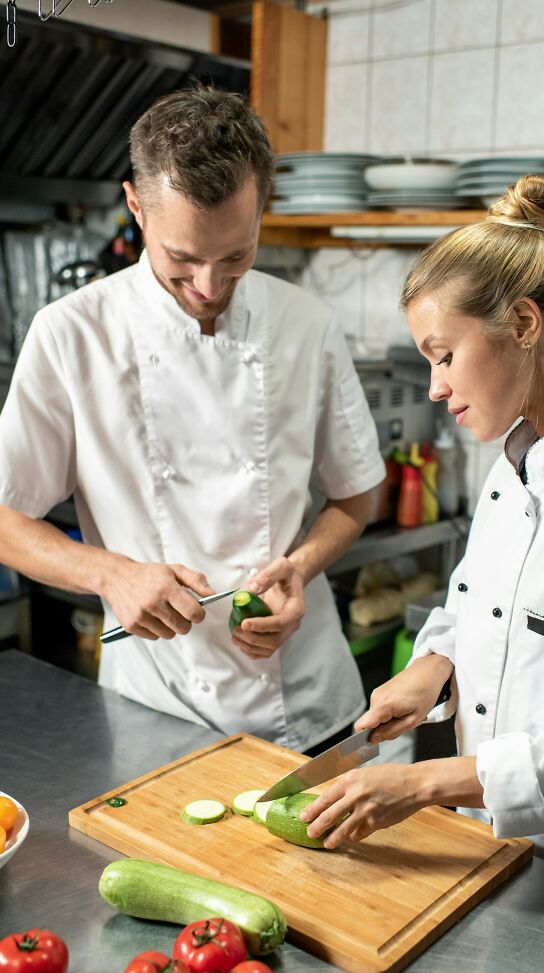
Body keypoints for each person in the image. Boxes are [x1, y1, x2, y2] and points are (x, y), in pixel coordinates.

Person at [300, 175, 544, 909]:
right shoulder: (510, 464)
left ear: (522, 323)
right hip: (486, 851)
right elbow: (478, 604)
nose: (433, 387)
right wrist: (435, 668)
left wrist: (426, 781)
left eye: (443, 355)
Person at [0, 84, 386, 751]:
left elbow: (356, 495)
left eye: (236, 256)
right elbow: (5, 521)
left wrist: (301, 566)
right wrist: (109, 575)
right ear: (135, 207)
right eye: (182, 259)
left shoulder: (308, 324)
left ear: (261, 208)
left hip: (308, 702)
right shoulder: (71, 334)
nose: (209, 286)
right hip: (156, 707)